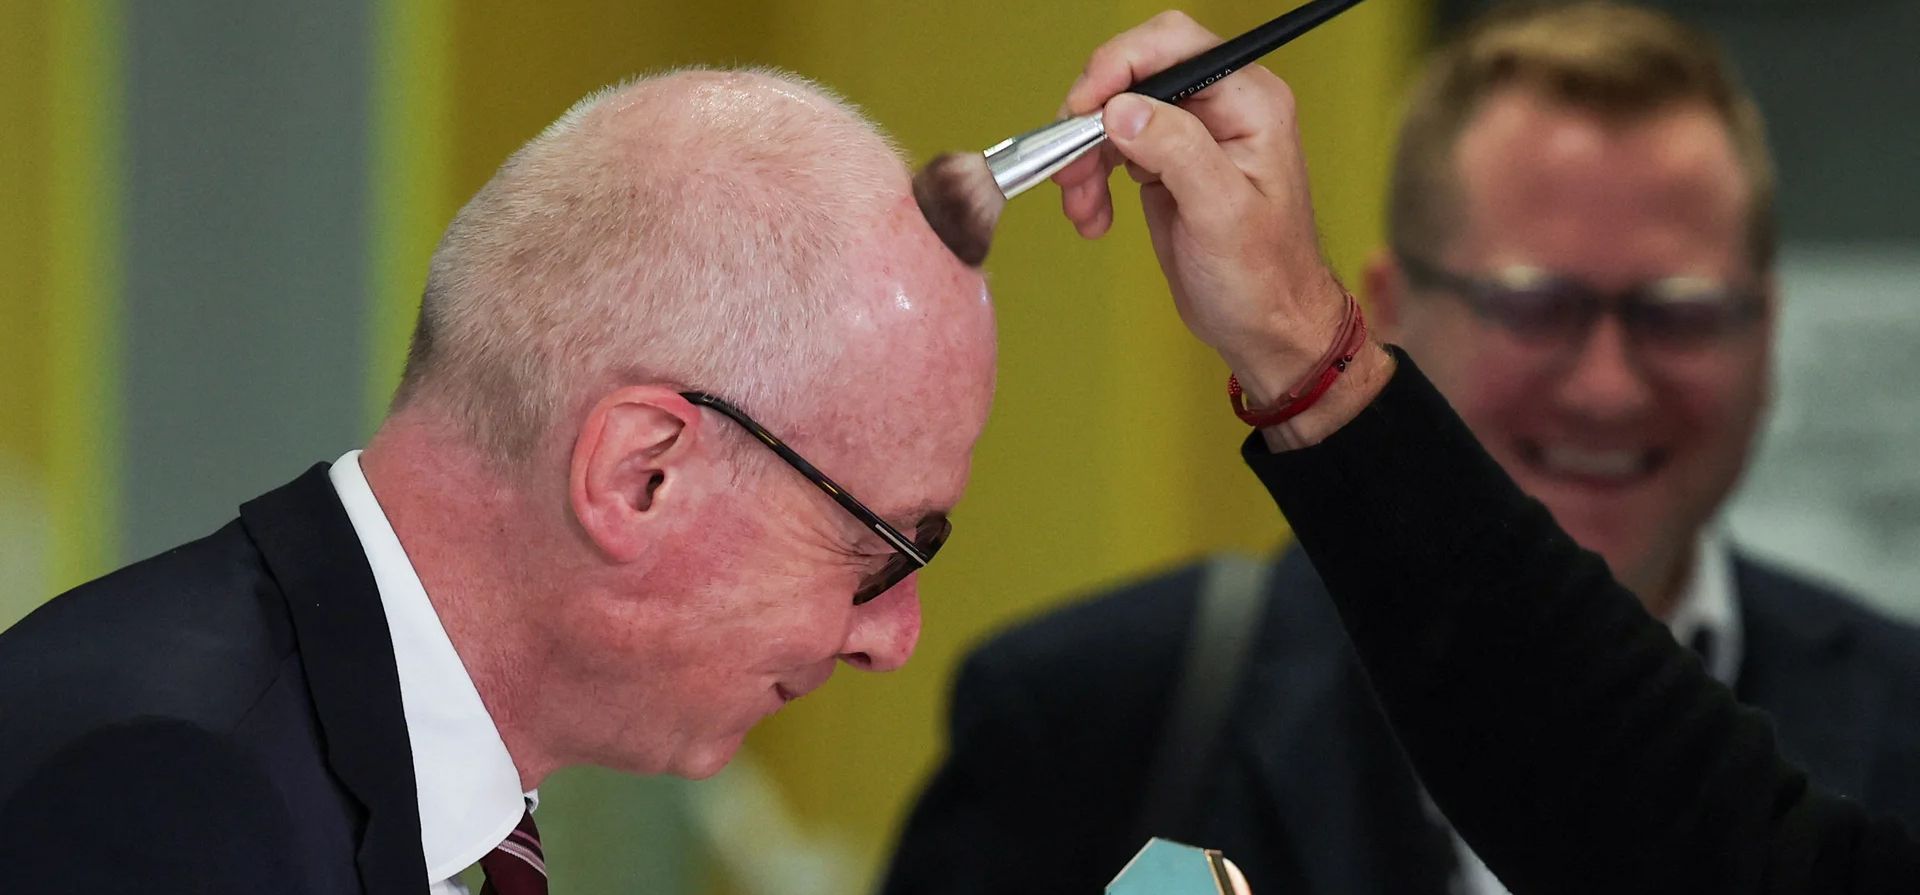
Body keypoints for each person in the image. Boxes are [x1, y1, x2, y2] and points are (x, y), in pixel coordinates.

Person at [883, 5, 1920, 894]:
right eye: (1532, 305)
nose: (1607, 384)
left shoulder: (1902, 717)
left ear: (1768, 328)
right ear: (1393, 305)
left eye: (1678, 312)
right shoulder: (1086, 718)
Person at [0, 69, 997, 894]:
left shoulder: (302, 750)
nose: (893, 637)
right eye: (884, 547)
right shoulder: (164, 800)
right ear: (639, 474)